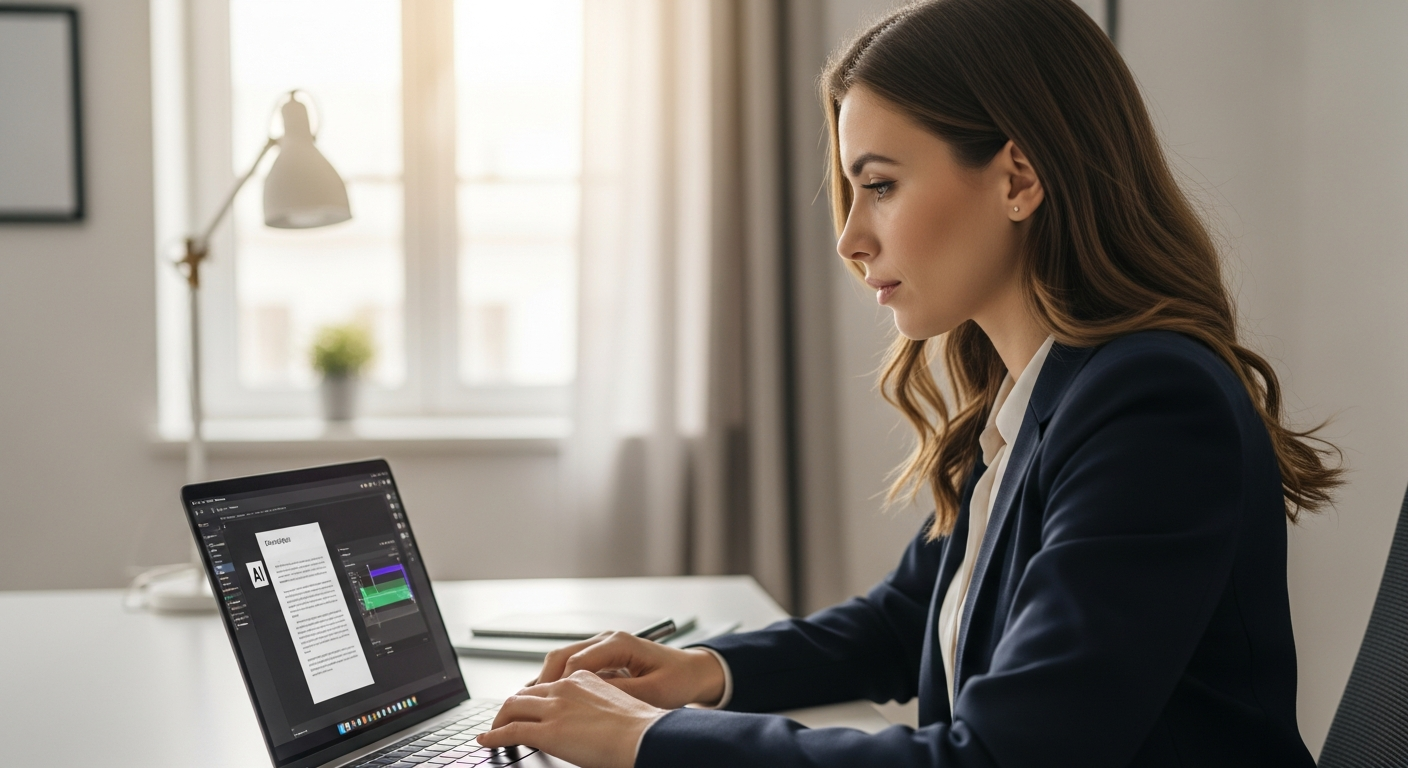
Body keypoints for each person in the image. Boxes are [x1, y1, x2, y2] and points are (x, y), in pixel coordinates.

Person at [476, 0, 1342, 765]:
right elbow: (909, 617)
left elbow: (1002, 757)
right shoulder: (1037, 393)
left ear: (1018, 177)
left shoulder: (1150, 403)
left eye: (879, 186)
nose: (851, 238)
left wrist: (645, 740)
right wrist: (706, 672)